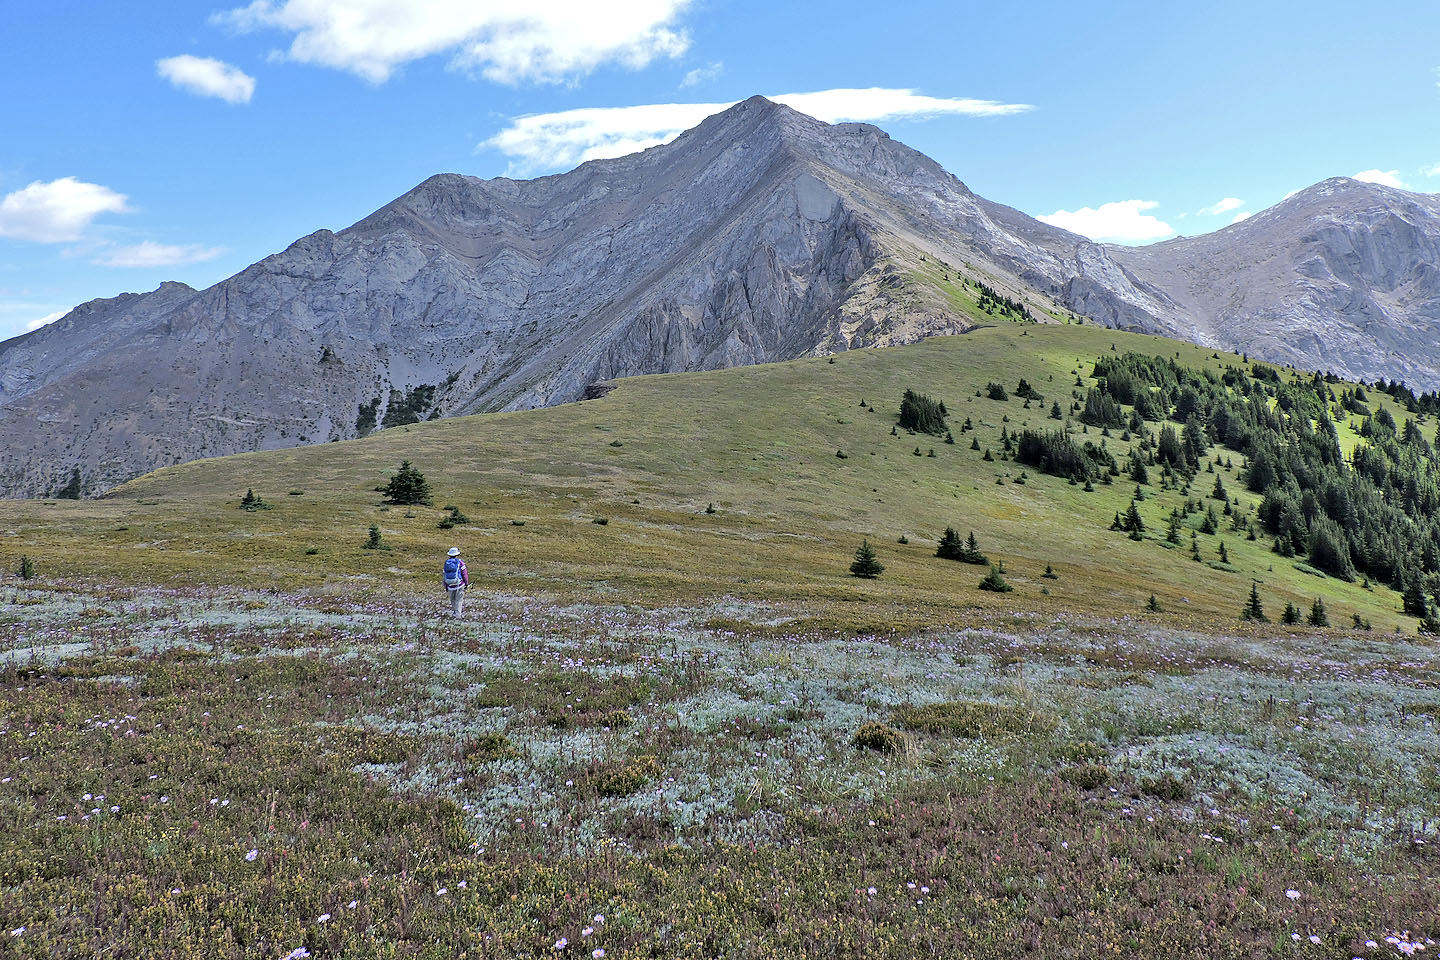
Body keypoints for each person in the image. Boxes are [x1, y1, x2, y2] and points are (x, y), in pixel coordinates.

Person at [442, 546, 468, 616]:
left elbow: (444, 574)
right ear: (457, 555)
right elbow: (464, 574)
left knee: (452, 600)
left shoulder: (446, 563)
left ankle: (454, 612)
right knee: (459, 600)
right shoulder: (460, 562)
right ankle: (458, 615)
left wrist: (446, 586)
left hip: (449, 585)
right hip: (459, 584)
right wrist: (466, 583)